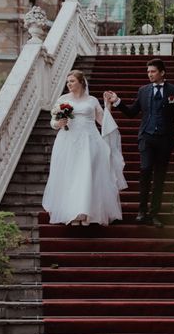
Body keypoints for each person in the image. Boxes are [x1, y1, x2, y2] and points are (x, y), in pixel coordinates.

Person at [104, 58, 174, 228]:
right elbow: (132, 112)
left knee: (160, 177)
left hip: (166, 139)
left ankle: (154, 213)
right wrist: (117, 101)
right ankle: (141, 211)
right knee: (145, 169)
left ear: (162, 72)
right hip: (146, 137)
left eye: (153, 71)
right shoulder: (143, 90)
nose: (150, 74)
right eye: (148, 72)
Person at [42, 70, 127, 225]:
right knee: (72, 175)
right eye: (68, 81)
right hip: (68, 141)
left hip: (90, 141)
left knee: (88, 175)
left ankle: (88, 212)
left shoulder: (92, 100)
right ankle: (73, 213)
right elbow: (53, 121)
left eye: (72, 81)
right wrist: (58, 124)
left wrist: (108, 105)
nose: (69, 84)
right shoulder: (63, 99)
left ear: (81, 82)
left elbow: (102, 120)